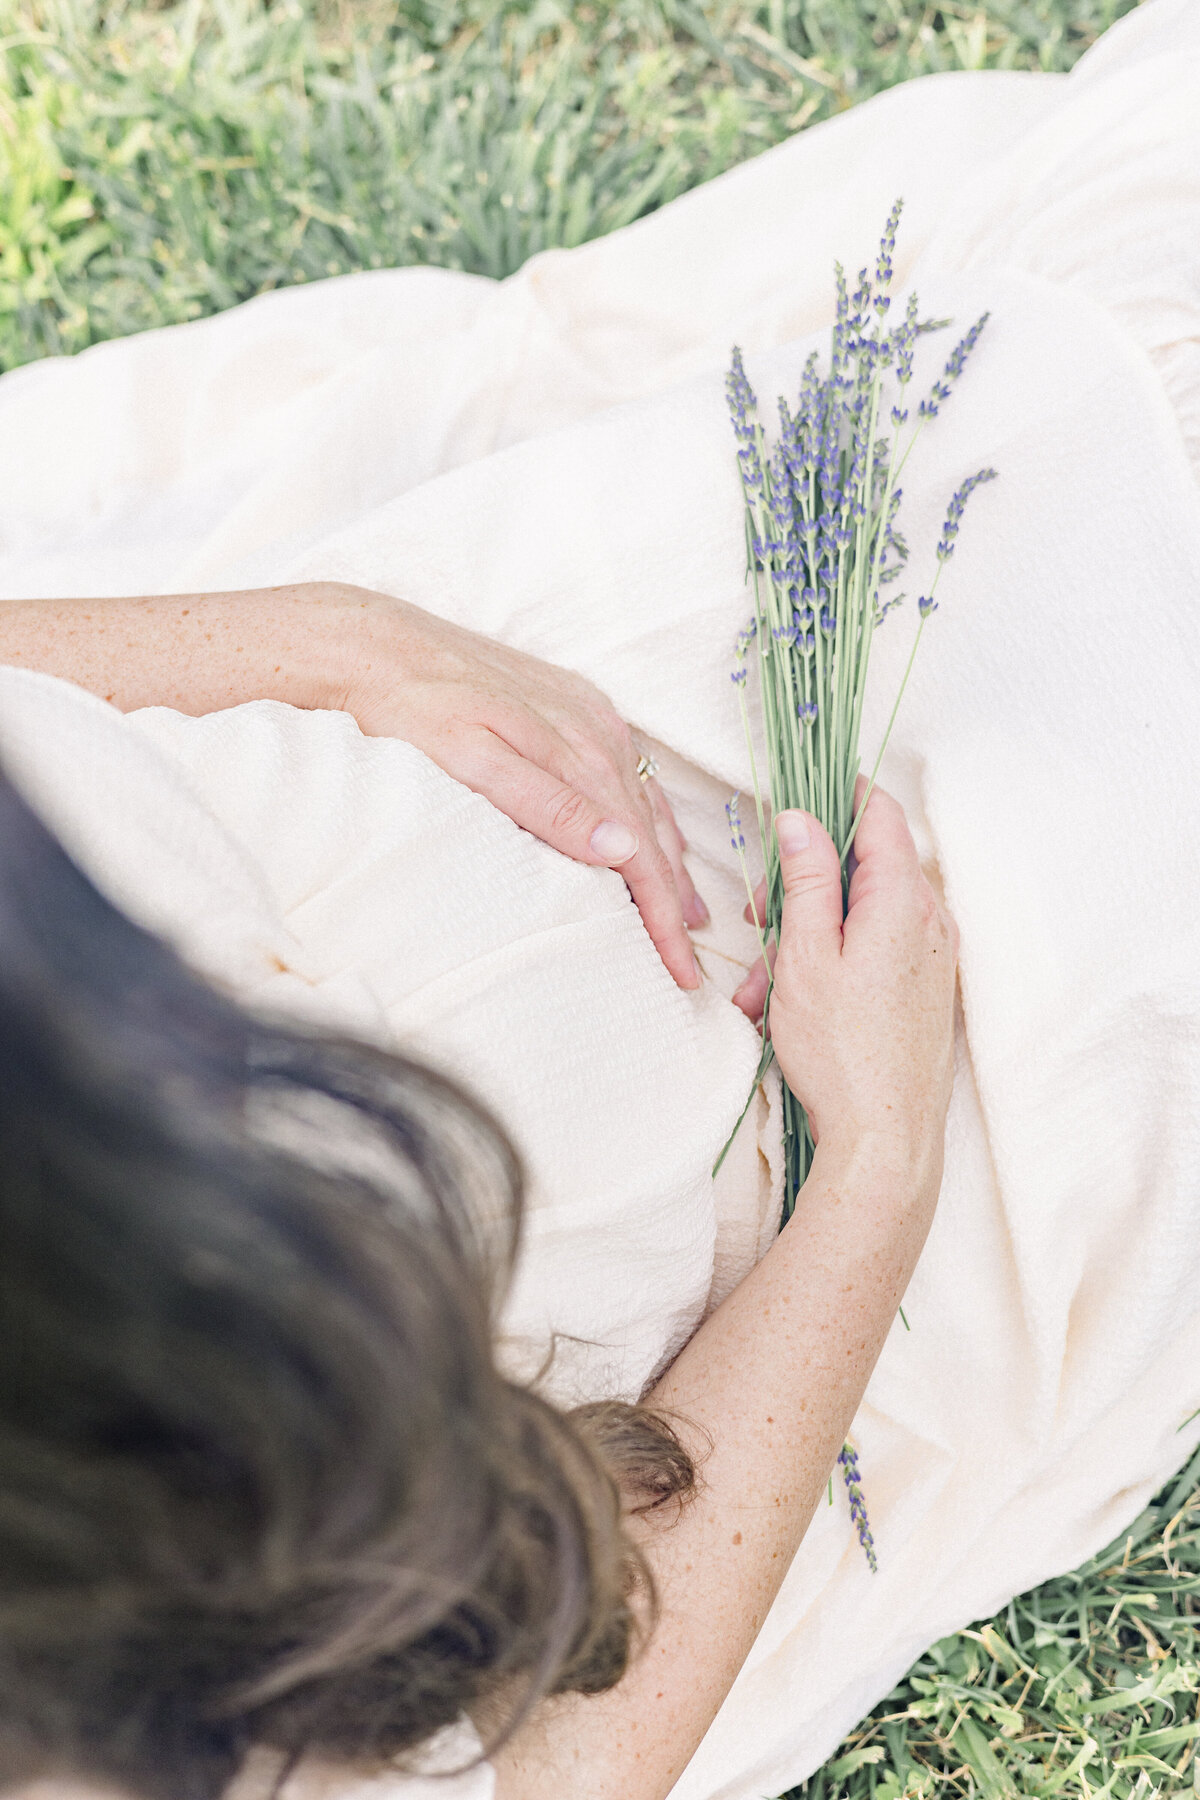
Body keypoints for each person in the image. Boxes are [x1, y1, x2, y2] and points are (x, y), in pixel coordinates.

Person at [0, 2, 1198, 1795]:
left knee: (1074, 349)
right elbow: (546, 1770)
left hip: (500, 690)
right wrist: (874, 1175)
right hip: (786, 1250)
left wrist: (330, 640)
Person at [0, 714, 956, 1800]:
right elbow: (561, 1769)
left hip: (451, 741)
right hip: (752, 1292)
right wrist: (881, 1163)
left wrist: (353, 648)